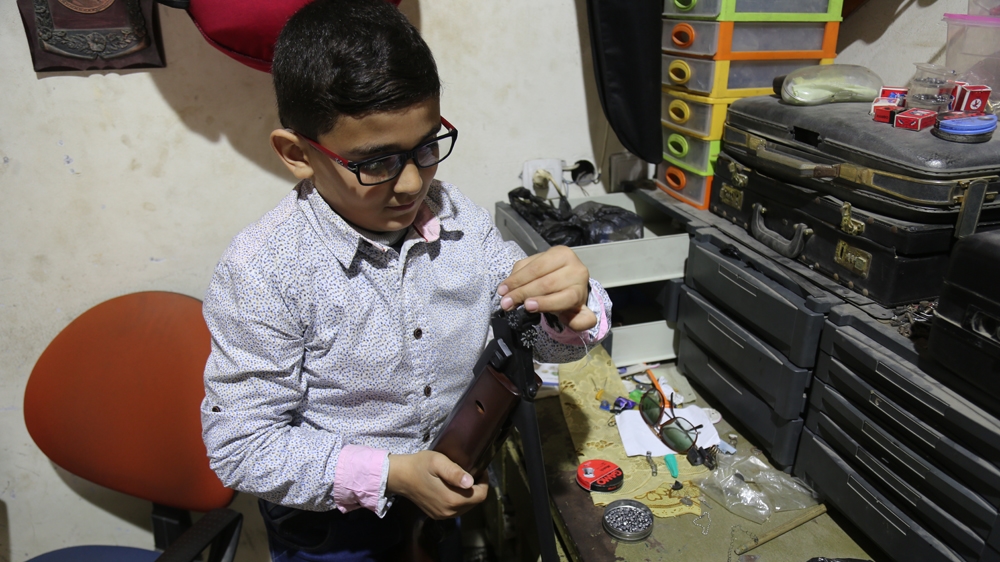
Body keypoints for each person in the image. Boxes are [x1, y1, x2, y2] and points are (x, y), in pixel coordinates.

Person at [199, 0, 612, 560]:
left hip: (450, 481)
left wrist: (567, 312)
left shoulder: (458, 217)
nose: (413, 183)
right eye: (375, 163)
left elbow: (531, 337)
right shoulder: (262, 270)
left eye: (424, 146)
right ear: (296, 154)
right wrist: (392, 474)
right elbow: (241, 445)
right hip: (332, 524)